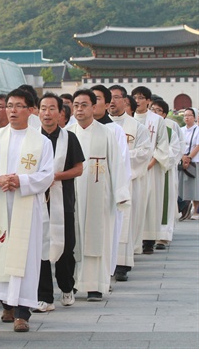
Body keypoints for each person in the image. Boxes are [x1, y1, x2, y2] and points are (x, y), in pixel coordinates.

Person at [0, 89, 53, 332]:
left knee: (24, 256)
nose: (12, 110)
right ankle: (6, 304)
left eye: (18, 106)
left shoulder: (41, 141)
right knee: (1, 250)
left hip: (26, 204)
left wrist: (21, 181)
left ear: (31, 110)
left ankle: (23, 312)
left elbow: (47, 175)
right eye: (9, 105)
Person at [66, 89, 130, 301]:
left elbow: (118, 165)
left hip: (98, 194)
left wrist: (120, 193)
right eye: (76, 105)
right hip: (72, 194)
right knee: (73, 238)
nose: (79, 109)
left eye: (84, 105)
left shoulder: (106, 133)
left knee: (98, 239)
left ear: (94, 107)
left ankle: (96, 285)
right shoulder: (68, 133)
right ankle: (73, 282)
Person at [36, 93, 84, 311]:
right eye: (43, 108)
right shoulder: (32, 139)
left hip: (62, 200)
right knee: (40, 248)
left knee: (66, 248)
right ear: (37, 112)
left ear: (60, 113)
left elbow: (78, 169)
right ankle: (45, 296)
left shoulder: (69, 138)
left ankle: (66, 287)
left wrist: (54, 176)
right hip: (37, 201)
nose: (47, 113)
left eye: (52, 108)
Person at [108, 85, 152, 281]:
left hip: (128, 180)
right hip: (103, 180)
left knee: (125, 220)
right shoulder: (101, 126)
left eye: (117, 97)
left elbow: (144, 153)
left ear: (125, 101)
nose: (112, 101)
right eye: (109, 97)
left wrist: (120, 158)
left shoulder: (137, 127)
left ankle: (122, 264)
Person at [131, 86, 169, 254]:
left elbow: (162, 146)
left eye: (141, 97)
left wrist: (151, 162)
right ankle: (133, 240)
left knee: (150, 204)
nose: (137, 101)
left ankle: (148, 240)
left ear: (148, 100)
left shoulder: (157, 120)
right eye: (135, 97)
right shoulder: (128, 119)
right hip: (132, 168)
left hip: (151, 169)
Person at [150, 99, 184, 248]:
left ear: (164, 114)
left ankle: (163, 236)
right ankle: (148, 236)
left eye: (158, 110)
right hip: (147, 170)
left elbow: (177, 149)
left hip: (164, 170)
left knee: (164, 201)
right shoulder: (145, 127)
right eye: (152, 109)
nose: (154, 113)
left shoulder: (171, 128)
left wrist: (158, 156)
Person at [179, 108, 199, 220]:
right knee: (184, 185)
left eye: (189, 115)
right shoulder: (181, 130)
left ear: (194, 117)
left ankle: (196, 210)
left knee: (195, 186)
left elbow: (197, 145)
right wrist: (183, 157)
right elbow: (178, 144)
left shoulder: (197, 130)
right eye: (185, 115)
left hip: (194, 160)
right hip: (183, 160)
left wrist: (189, 157)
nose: (187, 117)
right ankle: (185, 208)